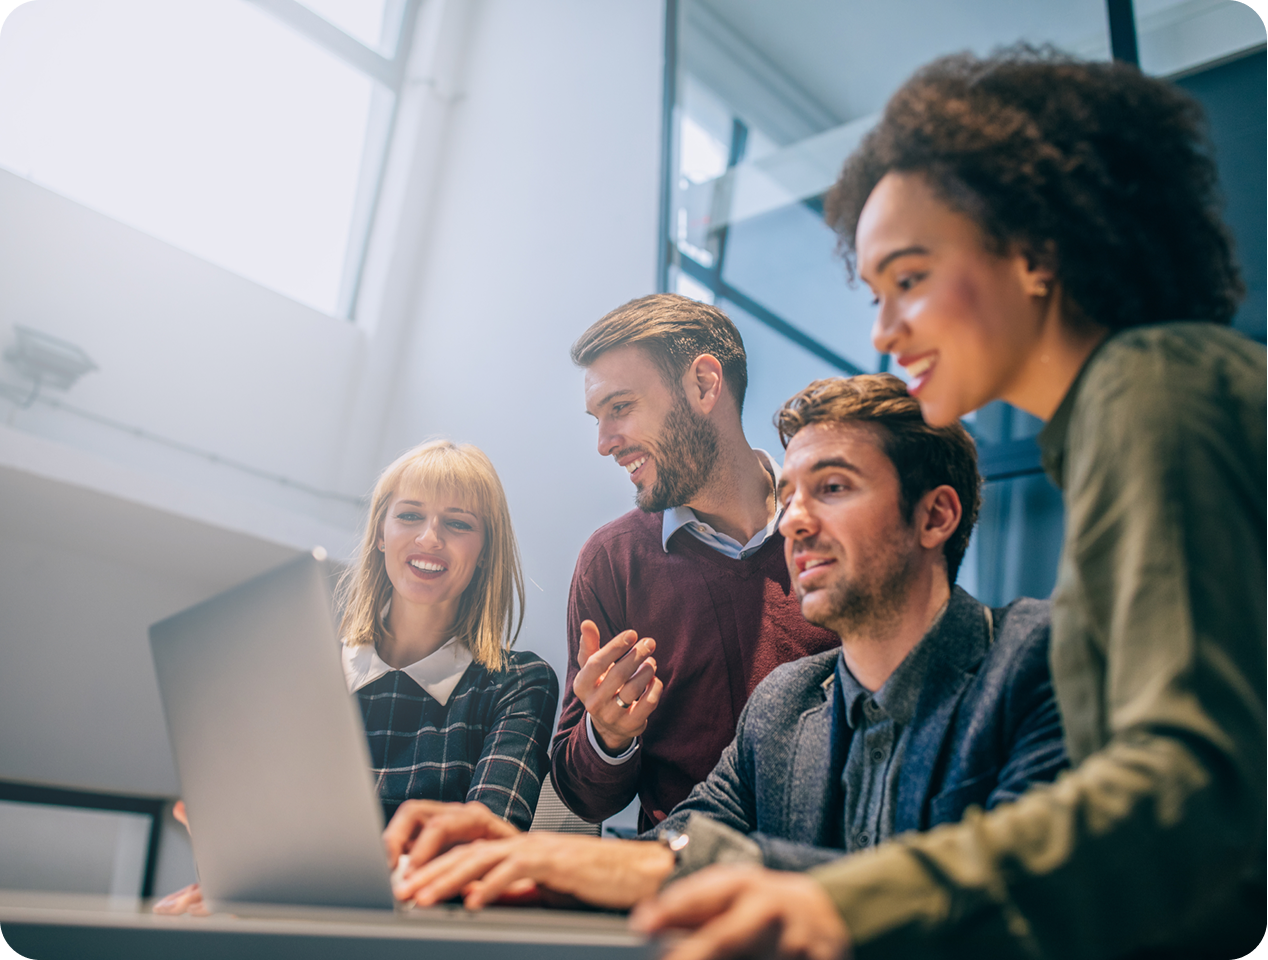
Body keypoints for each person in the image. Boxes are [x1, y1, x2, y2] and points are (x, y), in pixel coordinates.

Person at [637, 47, 1266, 960]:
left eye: (911, 277)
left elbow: (1194, 793)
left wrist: (844, 907)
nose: (885, 331)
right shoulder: (1132, 409)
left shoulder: (1148, 389)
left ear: (1037, 251)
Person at [385, 374, 1068, 912]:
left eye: (832, 488)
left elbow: (1018, 896)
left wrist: (666, 865)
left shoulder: (1040, 662)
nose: (795, 521)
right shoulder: (785, 705)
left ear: (935, 515)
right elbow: (673, 845)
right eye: (791, 494)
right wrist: (535, 862)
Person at [155, 439, 559, 914]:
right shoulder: (303, 676)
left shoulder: (518, 684)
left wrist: (291, 884)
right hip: (285, 928)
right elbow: (260, 850)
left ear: (485, 550)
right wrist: (230, 857)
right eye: (410, 515)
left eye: (457, 523)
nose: (430, 538)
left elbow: (484, 853)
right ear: (381, 533)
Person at [547, 294, 838, 830]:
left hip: (829, 886)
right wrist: (607, 736)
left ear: (705, 385)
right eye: (597, 418)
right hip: (679, 884)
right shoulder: (611, 562)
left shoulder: (828, 532)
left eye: (621, 407)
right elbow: (583, 798)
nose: (604, 443)